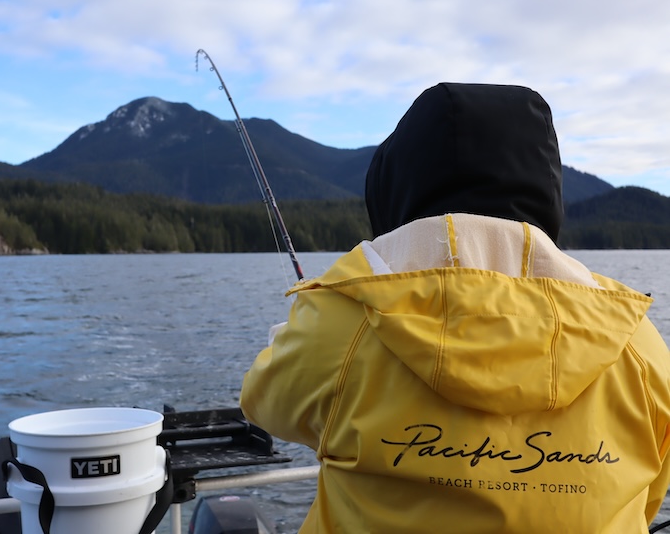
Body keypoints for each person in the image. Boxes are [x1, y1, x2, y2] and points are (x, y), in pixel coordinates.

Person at [240, 82, 670, 533]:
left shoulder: (342, 322)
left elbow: (262, 403)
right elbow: (649, 492)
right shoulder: (636, 341)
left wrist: (297, 329)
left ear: (395, 188)